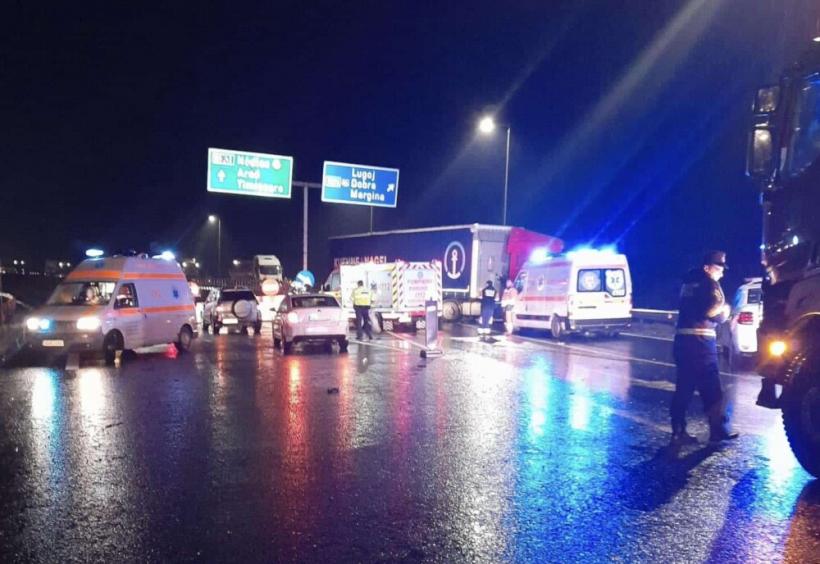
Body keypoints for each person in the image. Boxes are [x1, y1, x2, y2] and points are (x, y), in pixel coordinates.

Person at [670, 250, 739, 447]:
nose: (722, 272)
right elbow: (713, 310)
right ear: (707, 267)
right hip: (701, 343)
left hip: (683, 342)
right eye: (719, 267)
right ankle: (717, 430)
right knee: (712, 388)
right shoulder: (709, 282)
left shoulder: (688, 282)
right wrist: (725, 312)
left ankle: (678, 431)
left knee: (684, 387)